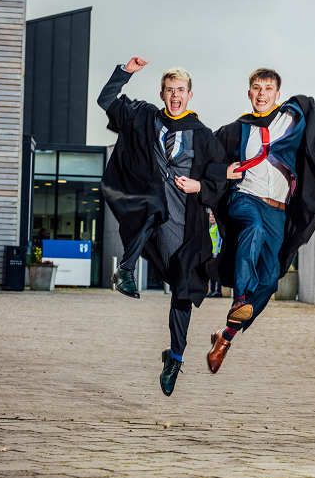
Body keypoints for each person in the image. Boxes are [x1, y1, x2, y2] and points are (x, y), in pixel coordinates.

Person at [207, 45, 315, 373]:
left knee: (268, 281)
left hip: (278, 210)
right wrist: (221, 172)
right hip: (245, 198)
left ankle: (226, 335)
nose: (262, 93)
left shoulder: (295, 116)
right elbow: (202, 159)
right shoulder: (235, 130)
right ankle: (240, 299)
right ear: (249, 94)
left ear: (277, 93)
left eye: (268, 89)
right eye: (257, 89)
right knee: (249, 229)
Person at [97, 57, 228, 396]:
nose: (174, 96)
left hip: (186, 227)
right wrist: (124, 72)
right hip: (149, 209)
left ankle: (175, 357)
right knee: (150, 205)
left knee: (183, 292)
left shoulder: (204, 136)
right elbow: (107, 101)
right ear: (162, 93)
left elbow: (220, 176)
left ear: (190, 95)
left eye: (180, 91)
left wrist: (200, 186)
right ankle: (123, 272)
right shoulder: (145, 118)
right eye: (169, 90)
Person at [208, 211, 222, 297]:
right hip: (211, 252)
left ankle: (218, 291)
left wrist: (216, 252)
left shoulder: (217, 228)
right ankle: (212, 290)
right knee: (211, 273)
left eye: (213, 217)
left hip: (215, 253)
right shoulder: (211, 228)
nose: (211, 218)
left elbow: (219, 241)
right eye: (210, 217)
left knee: (216, 273)